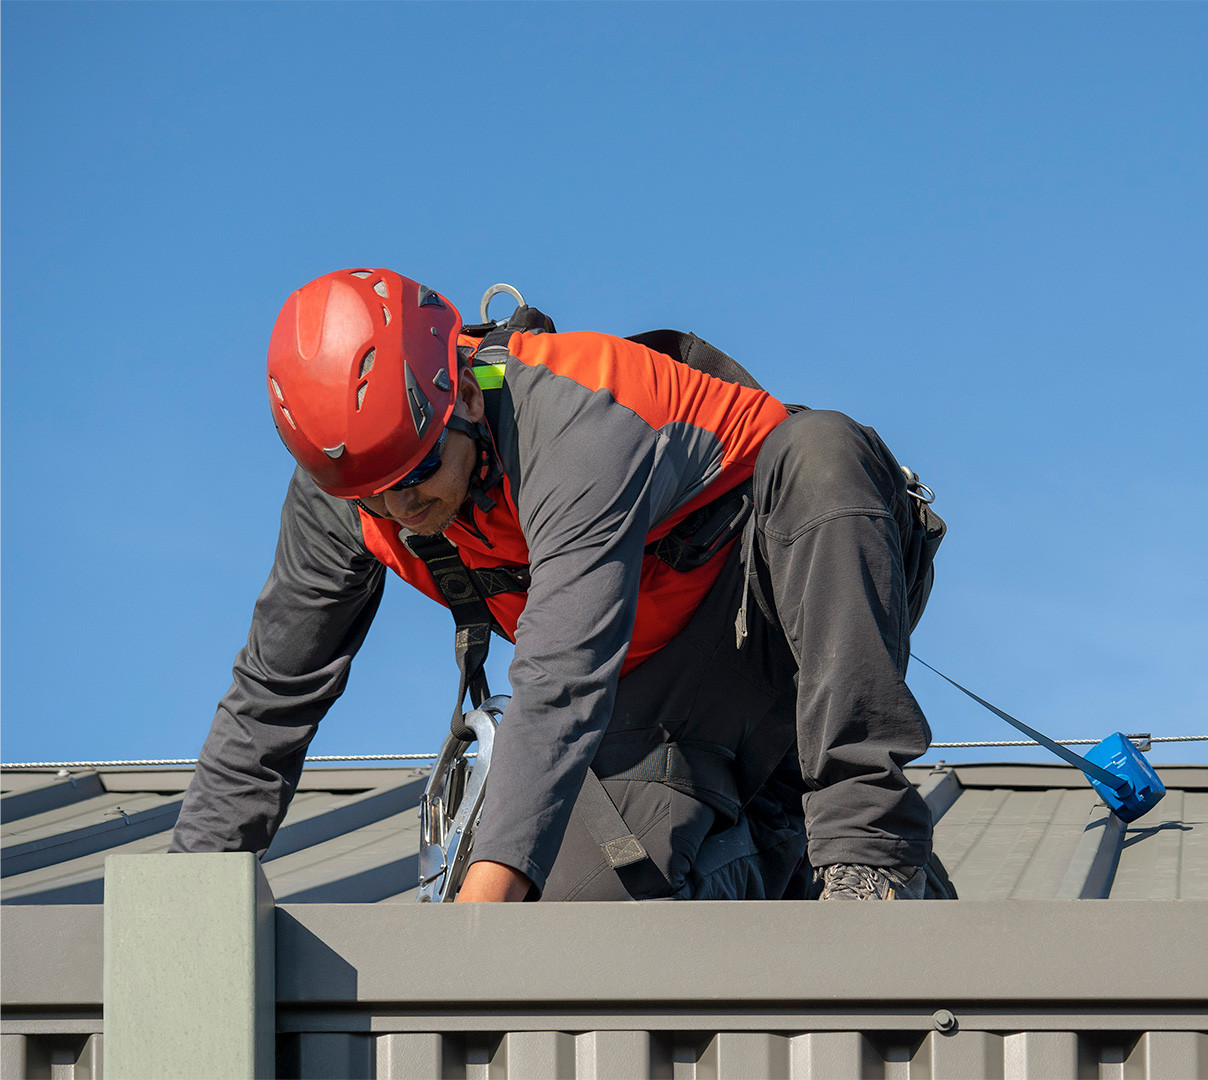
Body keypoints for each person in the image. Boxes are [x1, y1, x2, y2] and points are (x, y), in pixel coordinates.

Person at [170, 268, 946, 902]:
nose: (399, 507)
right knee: (575, 925)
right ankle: (781, 850)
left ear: (465, 396)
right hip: (655, 690)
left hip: (779, 603)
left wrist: (479, 919)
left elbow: (562, 675)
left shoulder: (574, 416)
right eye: (371, 494)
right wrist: (182, 904)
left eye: (417, 472)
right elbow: (272, 693)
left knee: (821, 449)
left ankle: (868, 851)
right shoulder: (344, 492)